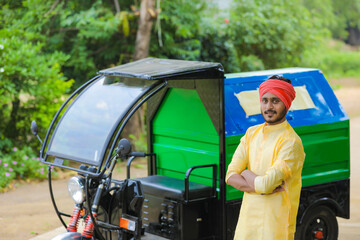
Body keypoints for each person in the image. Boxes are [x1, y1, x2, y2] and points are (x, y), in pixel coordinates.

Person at [226, 75, 305, 240]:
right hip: (247, 225)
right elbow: (230, 175)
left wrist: (246, 174)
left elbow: (267, 184)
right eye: (265, 100)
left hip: (275, 228)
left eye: (275, 101)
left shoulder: (291, 142)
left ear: (286, 103)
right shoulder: (251, 134)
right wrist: (259, 185)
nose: (269, 106)